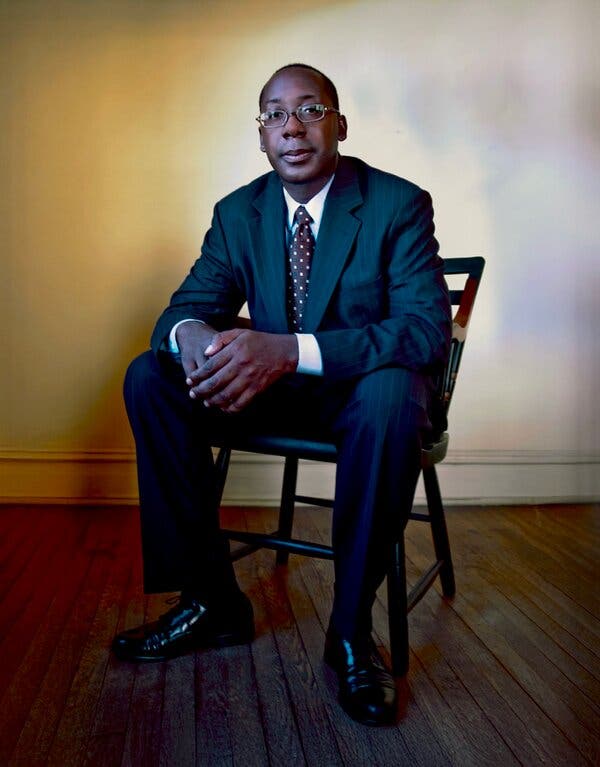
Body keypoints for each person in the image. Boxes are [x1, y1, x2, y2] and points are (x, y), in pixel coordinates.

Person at [113, 63, 451, 727]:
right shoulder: (241, 212)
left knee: (391, 395)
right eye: (274, 114)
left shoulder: (397, 204)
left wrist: (291, 349)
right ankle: (212, 599)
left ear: (339, 125)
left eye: (310, 110)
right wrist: (194, 338)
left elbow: (424, 331)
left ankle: (351, 630)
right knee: (149, 375)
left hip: (362, 397)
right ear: (261, 137)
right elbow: (181, 311)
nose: (291, 127)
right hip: (273, 392)